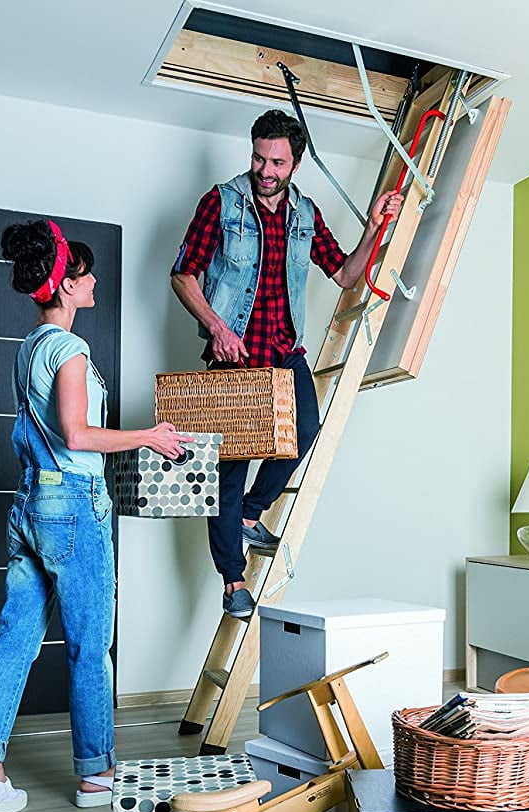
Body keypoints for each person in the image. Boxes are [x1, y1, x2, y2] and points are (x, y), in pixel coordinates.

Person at [0, 219, 192, 812]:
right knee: (90, 645)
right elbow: (78, 434)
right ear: (65, 285)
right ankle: (97, 774)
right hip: (73, 507)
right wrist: (150, 436)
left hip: (30, 503)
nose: (93, 282)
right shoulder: (70, 350)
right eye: (85, 275)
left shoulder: (29, 348)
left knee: (15, 635)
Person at [170, 109, 404, 619]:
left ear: (295, 164)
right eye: (259, 158)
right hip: (235, 356)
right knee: (228, 472)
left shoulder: (305, 214)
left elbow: (345, 275)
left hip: (283, 353)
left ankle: (250, 515)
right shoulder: (221, 203)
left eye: (276, 162)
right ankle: (233, 583)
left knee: (305, 430)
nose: (265, 170)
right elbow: (183, 275)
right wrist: (218, 328)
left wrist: (375, 227)